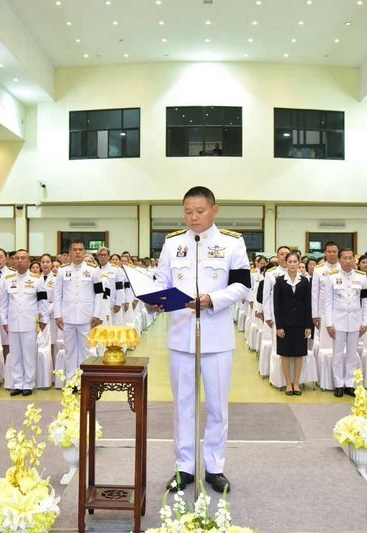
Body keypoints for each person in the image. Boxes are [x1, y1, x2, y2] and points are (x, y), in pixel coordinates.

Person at [149, 186, 250, 495]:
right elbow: (161, 282)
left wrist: (212, 299)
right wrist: (153, 299)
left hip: (217, 339)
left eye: (199, 211)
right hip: (182, 338)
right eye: (188, 212)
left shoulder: (232, 243)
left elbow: (242, 286)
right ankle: (185, 467)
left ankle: (215, 467)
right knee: (183, 406)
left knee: (217, 407)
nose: (193, 217)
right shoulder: (172, 243)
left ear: (214, 210)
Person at [0, 249, 49, 396]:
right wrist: (4, 321)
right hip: (13, 323)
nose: (19, 261)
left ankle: (28, 384)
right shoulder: (7, 279)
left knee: (29, 355)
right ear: (13, 261)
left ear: (29, 261)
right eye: (17, 258)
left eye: (23, 258)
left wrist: (43, 319)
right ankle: (18, 383)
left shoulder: (37, 279)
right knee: (15, 355)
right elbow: (3, 303)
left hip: (30, 323)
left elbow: (43, 301)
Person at [53, 240, 104, 381]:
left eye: (80, 249)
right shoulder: (62, 270)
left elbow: (99, 293)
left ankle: (84, 381)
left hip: (86, 317)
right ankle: (71, 382)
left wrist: (97, 314)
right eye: (74, 249)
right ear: (70, 253)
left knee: (85, 350)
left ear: (84, 252)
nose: (77, 252)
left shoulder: (93, 270)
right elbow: (57, 294)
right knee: (69, 351)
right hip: (67, 317)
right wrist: (57, 315)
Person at [324, 248, 367, 397]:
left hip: (355, 321)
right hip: (338, 321)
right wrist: (329, 324)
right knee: (337, 354)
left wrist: (365, 322)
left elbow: (366, 301)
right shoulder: (332, 277)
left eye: (350, 258)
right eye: (344, 258)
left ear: (354, 259)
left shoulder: (361, 277)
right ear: (339, 260)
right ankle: (338, 384)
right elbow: (328, 302)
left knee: (352, 354)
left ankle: (350, 384)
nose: (348, 261)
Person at [273, 251, 312, 395]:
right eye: (290, 261)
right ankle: (288, 383)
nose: (292, 264)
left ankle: (296, 383)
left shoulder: (305, 281)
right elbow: (276, 305)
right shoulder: (279, 281)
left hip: (300, 323)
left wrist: (308, 325)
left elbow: (308, 304)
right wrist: (279, 326)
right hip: (285, 323)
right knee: (285, 354)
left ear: (299, 263)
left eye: (295, 261)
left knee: (299, 354)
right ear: (285, 263)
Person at [0, 248, 15, 360]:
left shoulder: (13, 274)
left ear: (6, 259)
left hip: (8, 314)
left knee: (8, 344)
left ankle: (7, 367)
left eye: (1, 257)